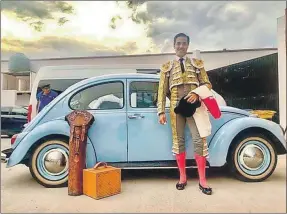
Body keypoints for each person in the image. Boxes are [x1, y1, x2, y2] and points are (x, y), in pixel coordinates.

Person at [157, 33, 213, 195]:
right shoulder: (167, 66)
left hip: (195, 107)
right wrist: (161, 111)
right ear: (174, 46)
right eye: (178, 43)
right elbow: (161, 91)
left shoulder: (196, 64)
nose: (181, 46)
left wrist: (196, 93)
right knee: (178, 141)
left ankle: (202, 179)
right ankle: (182, 177)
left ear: (188, 46)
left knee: (199, 139)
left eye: (184, 43)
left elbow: (207, 84)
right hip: (176, 108)